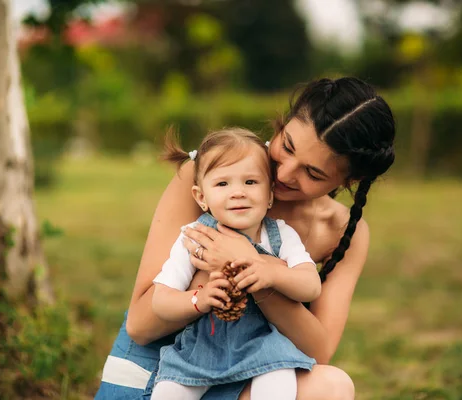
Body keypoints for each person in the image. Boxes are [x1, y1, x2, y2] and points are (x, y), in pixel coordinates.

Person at [95, 77, 396, 400]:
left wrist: (255, 268)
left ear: (351, 180)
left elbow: (318, 350)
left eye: (312, 173)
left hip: (250, 369)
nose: (283, 174)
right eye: (288, 146)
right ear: (283, 122)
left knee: (333, 387)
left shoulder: (340, 231)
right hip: (165, 371)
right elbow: (140, 326)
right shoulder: (213, 175)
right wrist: (206, 286)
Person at [150, 127, 321, 400]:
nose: (238, 192)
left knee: (279, 380)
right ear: (201, 197)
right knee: (168, 393)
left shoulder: (280, 235)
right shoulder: (195, 236)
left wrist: (271, 273)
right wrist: (198, 299)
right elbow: (160, 301)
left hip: (262, 345)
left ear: (270, 195)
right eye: (222, 184)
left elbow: (311, 286)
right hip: (201, 349)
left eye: (251, 182)